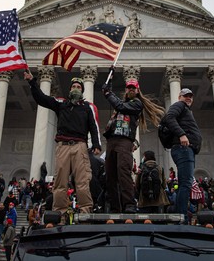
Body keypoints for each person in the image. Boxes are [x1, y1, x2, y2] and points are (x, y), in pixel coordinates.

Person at [24, 71, 102, 214]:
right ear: (70, 89)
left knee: (82, 181)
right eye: (74, 86)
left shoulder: (86, 108)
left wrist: (96, 144)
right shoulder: (61, 104)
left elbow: (93, 127)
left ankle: (85, 211)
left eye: (79, 86)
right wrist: (31, 82)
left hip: (80, 146)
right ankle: (59, 212)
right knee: (60, 182)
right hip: (63, 146)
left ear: (82, 90)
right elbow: (42, 99)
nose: (76, 88)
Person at [102, 75, 164, 213]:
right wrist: (110, 84)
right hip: (112, 140)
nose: (130, 89)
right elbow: (119, 105)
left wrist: (108, 93)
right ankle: (115, 207)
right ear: (126, 89)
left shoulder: (136, 104)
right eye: (129, 87)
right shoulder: (121, 104)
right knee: (110, 176)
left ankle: (129, 204)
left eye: (133, 88)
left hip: (124, 141)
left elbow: (120, 106)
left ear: (137, 90)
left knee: (123, 172)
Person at [163, 88, 202, 224]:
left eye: (190, 96)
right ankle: (182, 216)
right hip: (183, 149)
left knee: (185, 183)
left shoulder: (185, 109)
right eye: (185, 96)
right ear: (180, 97)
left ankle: (181, 215)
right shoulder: (179, 105)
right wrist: (181, 134)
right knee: (185, 184)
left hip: (186, 150)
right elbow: (169, 117)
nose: (188, 98)